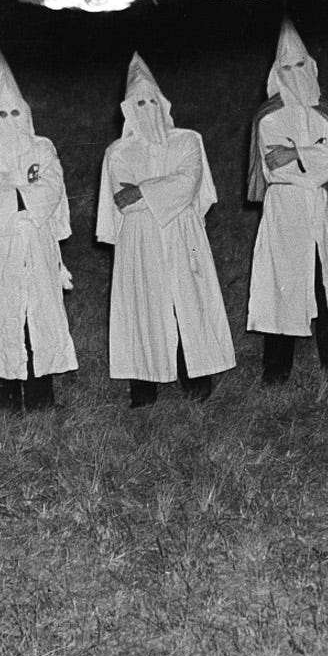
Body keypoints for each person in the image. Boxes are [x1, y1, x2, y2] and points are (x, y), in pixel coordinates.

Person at [97, 56, 233, 402]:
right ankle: (144, 386)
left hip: (182, 232)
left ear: (164, 103)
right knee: (145, 302)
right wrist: (157, 189)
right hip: (140, 236)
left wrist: (141, 189)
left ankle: (196, 379)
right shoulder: (119, 151)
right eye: (139, 103)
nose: (147, 109)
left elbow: (188, 184)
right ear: (128, 108)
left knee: (187, 300)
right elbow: (120, 199)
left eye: (152, 101)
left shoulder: (188, 140)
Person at [243, 17, 328, 380]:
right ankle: (276, 367)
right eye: (287, 67)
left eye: (301, 65)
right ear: (276, 72)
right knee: (286, 280)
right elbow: (274, 165)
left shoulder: (324, 111)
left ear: (311, 66)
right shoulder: (269, 118)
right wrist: (313, 154)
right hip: (288, 212)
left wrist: (297, 153)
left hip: (326, 210)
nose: (295, 73)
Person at [0, 50, 75, 410]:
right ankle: (7, 396)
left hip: (37, 246)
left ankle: (41, 395)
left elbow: (50, 189)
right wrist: (22, 193)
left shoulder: (42, 148)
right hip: (1, 250)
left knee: (38, 313)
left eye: (16, 113)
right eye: (2, 114)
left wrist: (14, 191)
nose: (10, 121)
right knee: (3, 315)